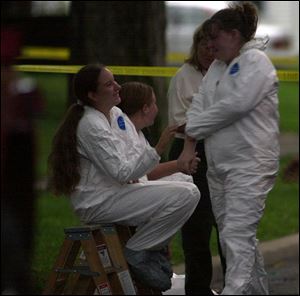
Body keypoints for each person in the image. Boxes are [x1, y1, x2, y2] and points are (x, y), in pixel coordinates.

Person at [47, 64, 200, 292]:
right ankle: (138, 249)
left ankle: (149, 246)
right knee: (188, 194)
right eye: (109, 84)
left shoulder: (116, 114)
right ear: (92, 95)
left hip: (118, 190)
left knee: (185, 182)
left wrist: (141, 171)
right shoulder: (89, 124)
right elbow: (122, 171)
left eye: (114, 80)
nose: (118, 86)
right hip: (99, 201)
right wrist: (158, 148)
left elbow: (131, 160)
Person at [178, 2, 279, 295]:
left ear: (234, 35)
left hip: (250, 164)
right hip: (219, 165)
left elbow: (235, 105)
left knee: (236, 235)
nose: (209, 45)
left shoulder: (257, 63)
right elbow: (198, 104)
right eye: (208, 39)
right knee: (232, 237)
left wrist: (193, 130)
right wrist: (191, 137)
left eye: (215, 37)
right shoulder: (218, 68)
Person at [167, 21, 226, 295]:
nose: (209, 51)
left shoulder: (228, 72)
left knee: (227, 225)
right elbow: (180, 122)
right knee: (197, 228)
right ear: (197, 45)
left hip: (223, 152)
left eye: (214, 46)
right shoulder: (184, 75)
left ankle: (235, 286)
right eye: (204, 45)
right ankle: (198, 289)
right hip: (192, 152)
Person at [118, 81, 199, 182]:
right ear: (145, 109)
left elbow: (146, 172)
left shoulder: (138, 133)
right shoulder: (124, 133)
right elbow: (140, 174)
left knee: (184, 180)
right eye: (154, 103)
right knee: (188, 188)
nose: (157, 109)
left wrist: (180, 164)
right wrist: (160, 147)